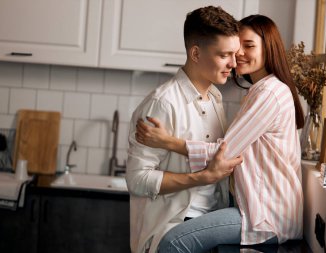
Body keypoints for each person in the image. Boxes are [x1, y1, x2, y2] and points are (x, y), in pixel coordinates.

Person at [135, 15, 305, 252]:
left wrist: (168, 142)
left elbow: (223, 153)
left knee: (172, 243)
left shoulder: (270, 93)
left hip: (265, 216)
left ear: (269, 48)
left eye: (249, 46)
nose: (238, 57)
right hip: (259, 211)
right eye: (235, 50)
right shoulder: (257, 92)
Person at [126, 6, 243, 253]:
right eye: (224, 55)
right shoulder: (163, 103)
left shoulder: (215, 98)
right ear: (196, 53)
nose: (233, 63)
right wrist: (201, 178)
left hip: (209, 224)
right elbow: (137, 179)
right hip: (171, 229)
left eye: (234, 54)